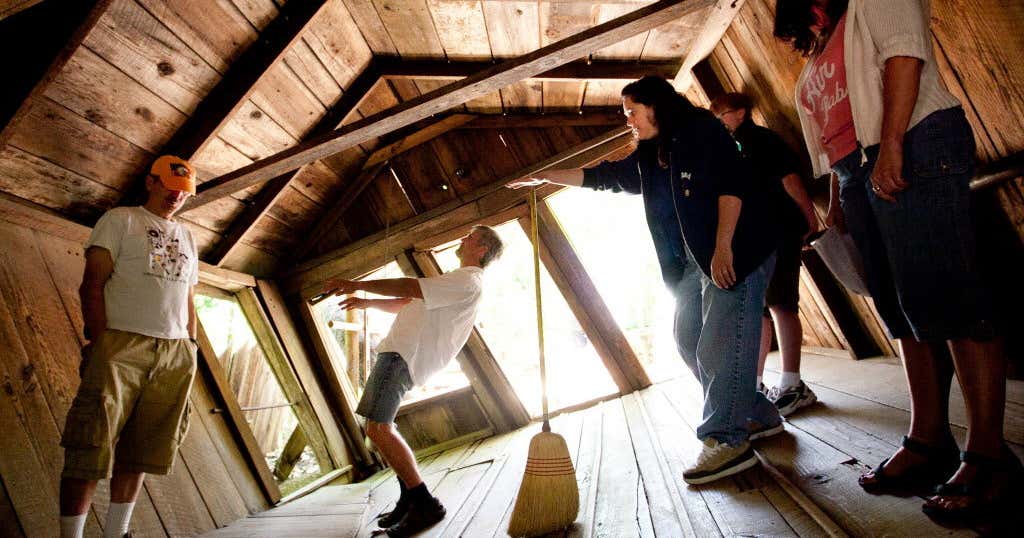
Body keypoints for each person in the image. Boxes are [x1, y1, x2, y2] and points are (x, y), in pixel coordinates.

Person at [775, 0, 1021, 522]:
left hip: (914, 140)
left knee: (948, 292)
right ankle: (929, 439)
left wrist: (891, 147)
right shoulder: (825, 34)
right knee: (898, 306)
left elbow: (904, 59)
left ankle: (989, 456)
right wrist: (841, 196)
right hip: (855, 169)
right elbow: (834, 124)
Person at [507, 76, 782, 485]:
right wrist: (548, 177)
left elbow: (733, 185)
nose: (629, 121)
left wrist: (725, 246)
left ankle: (727, 439)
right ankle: (757, 414)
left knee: (719, 347)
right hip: (692, 264)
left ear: (657, 106)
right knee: (688, 340)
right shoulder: (654, 155)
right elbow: (606, 177)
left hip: (737, 250)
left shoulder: (702, 131)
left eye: (631, 112)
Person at [317, 225, 503, 536]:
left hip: (403, 356)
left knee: (378, 428)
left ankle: (424, 503)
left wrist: (354, 284)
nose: (463, 238)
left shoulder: (467, 279)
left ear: (482, 249)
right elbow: (408, 301)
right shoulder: (454, 282)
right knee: (381, 427)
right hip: (399, 354)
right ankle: (408, 499)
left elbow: (409, 287)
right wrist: (365, 302)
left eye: (470, 237)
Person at [60, 156, 199, 538]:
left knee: (142, 450)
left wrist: (191, 346)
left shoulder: (188, 236)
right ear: (151, 182)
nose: (176, 196)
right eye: (169, 186)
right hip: (122, 343)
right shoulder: (120, 220)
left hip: (175, 351)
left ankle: (115, 534)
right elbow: (92, 284)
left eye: (183, 192)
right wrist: (100, 342)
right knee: (90, 446)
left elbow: (187, 298)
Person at [710, 92, 821, 416]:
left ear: (741, 113)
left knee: (781, 303)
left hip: (780, 230)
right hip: (755, 238)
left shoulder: (762, 140)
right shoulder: (730, 150)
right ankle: (754, 385)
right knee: (759, 309)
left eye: (723, 115)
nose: (719, 122)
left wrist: (810, 217)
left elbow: (790, 180)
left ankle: (792, 384)